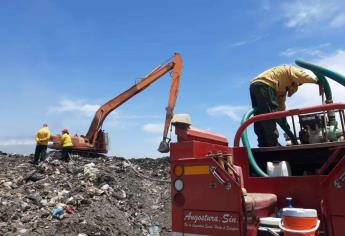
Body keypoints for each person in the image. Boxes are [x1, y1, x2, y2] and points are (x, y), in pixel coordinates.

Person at [250, 65, 318, 147]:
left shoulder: (281, 87)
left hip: (254, 85)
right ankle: (273, 144)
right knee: (269, 116)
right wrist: (317, 81)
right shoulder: (289, 70)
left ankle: (263, 143)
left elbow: (281, 109)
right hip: (266, 84)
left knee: (259, 116)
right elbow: (302, 76)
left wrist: (286, 127)